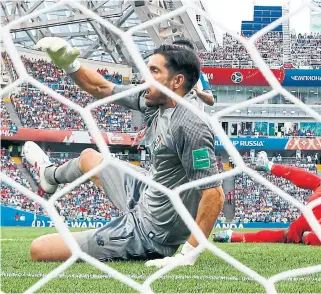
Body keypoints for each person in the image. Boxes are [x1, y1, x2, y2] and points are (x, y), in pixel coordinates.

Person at [29, 37, 225, 268]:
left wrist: (187, 255)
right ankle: (49, 176)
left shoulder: (190, 124)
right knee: (88, 158)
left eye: (154, 71)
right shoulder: (154, 100)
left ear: (177, 81)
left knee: (39, 248)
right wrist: (70, 65)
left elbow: (215, 195)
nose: (145, 78)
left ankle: (119, 237)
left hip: (150, 233)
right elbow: (101, 88)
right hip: (146, 193)